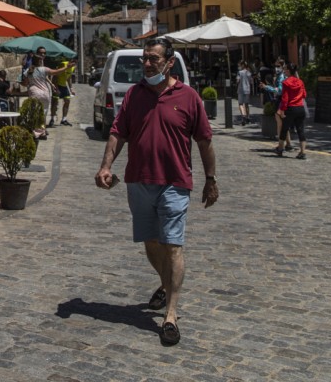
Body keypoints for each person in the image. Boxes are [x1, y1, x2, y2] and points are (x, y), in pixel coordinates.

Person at [95, 36, 218, 347]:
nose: (147, 64)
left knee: (172, 245)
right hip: (138, 180)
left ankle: (171, 315)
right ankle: (166, 284)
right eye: (145, 59)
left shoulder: (189, 97)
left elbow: (204, 141)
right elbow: (117, 133)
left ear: (169, 62)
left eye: (154, 59)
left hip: (176, 182)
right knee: (151, 243)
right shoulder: (135, 95)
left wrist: (211, 179)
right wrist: (106, 166)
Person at [22, 46, 63, 136]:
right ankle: (41, 131)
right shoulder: (42, 67)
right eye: (41, 53)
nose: (43, 55)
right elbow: (47, 73)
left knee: (36, 112)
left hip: (35, 92)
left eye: (44, 53)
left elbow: (43, 76)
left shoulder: (32, 69)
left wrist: (51, 84)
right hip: (44, 92)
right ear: (38, 55)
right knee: (43, 112)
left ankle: (39, 130)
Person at [275, 64, 308, 159]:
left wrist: (282, 110)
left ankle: (280, 148)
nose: (284, 71)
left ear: (289, 71)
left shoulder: (286, 82)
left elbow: (285, 98)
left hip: (291, 108)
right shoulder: (300, 82)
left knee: (284, 129)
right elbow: (304, 95)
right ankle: (302, 152)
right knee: (300, 130)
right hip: (300, 108)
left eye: (285, 69)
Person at [50, 57, 77, 126]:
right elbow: (55, 76)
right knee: (55, 102)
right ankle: (52, 119)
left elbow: (69, 78)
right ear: (69, 61)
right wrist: (56, 88)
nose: (73, 64)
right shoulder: (63, 65)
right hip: (57, 84)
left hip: (64, 85)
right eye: (72, 62)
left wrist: (71, 88)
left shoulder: (73, 67)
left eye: (75, 62)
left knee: (67, 101)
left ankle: (64, 119)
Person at [235, 61, 253, 126]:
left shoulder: (239, 72)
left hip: (240, 90)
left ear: (242, 65)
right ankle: (248, 117)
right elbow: (251, 81)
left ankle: (243, 116)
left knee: (240, 104)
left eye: (240, 65)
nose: (239, 66)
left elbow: (237, 80)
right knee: (246, 104)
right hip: (247, 90)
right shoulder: (249, 73)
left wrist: (237, 82)